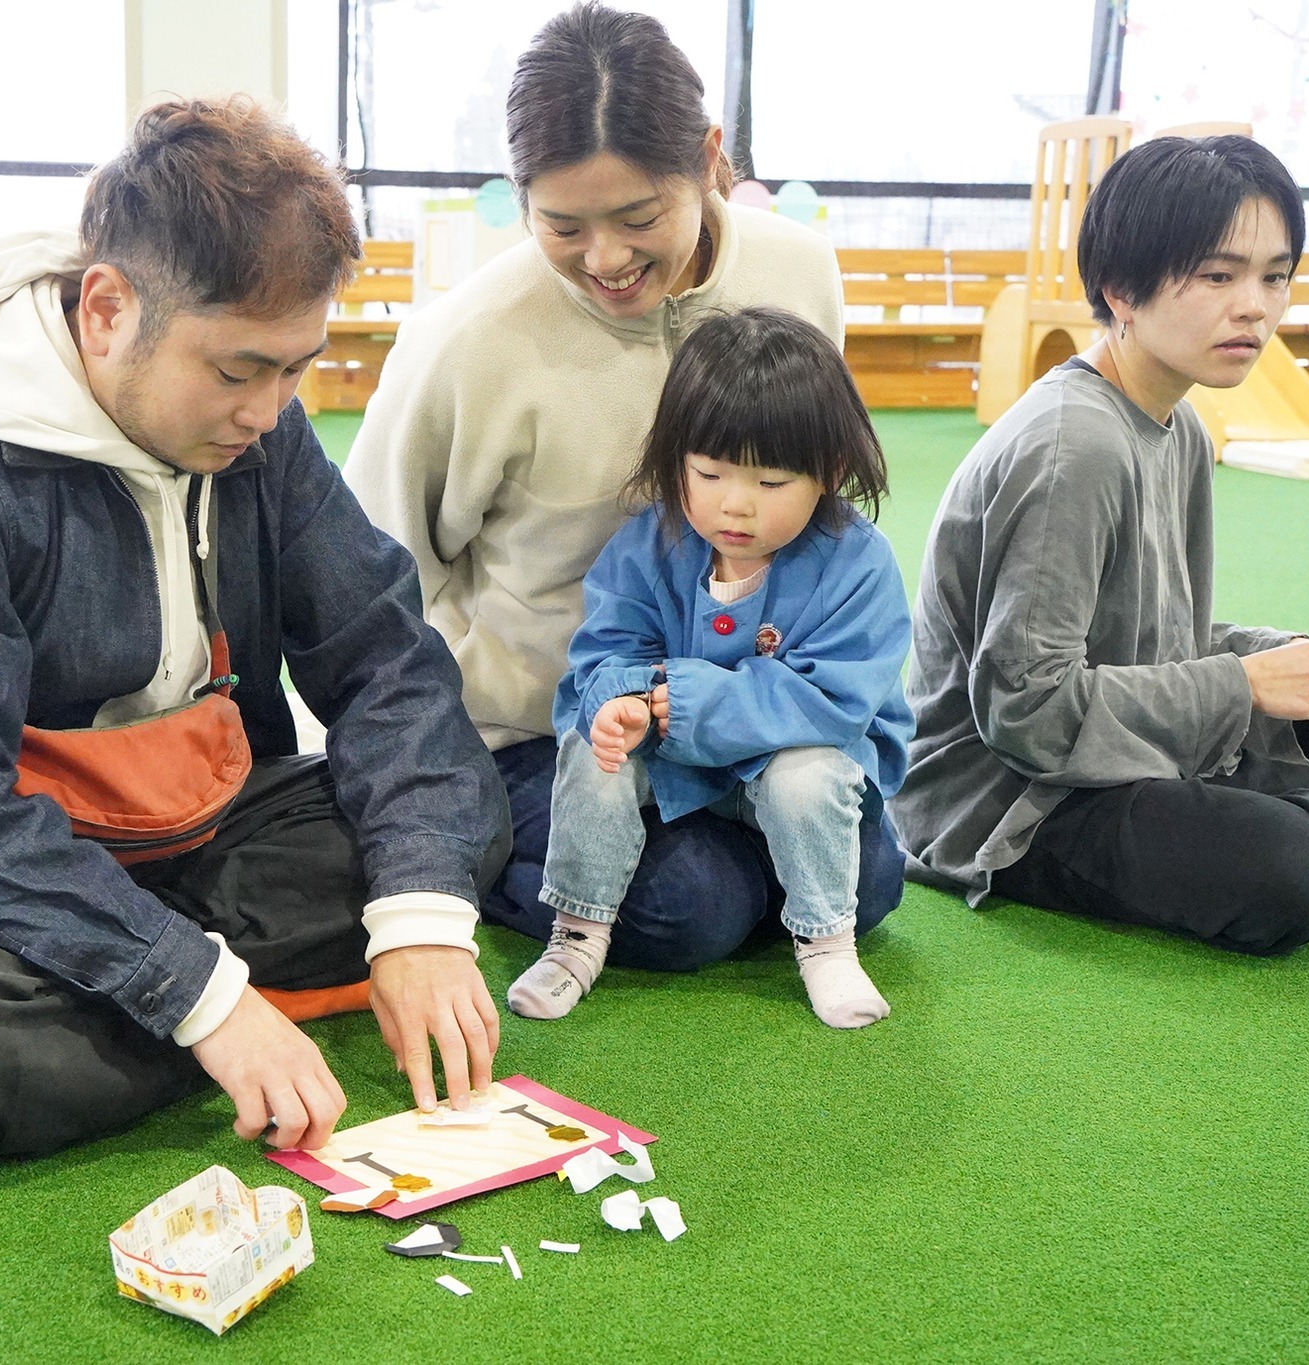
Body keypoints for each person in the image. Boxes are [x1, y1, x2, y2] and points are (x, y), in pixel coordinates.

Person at [0, 97, 511, 1163]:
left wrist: (418, 916)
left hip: (179, 828)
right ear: (106, 310)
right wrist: (201, 998)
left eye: (297, 367)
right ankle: (209, 999)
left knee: (449, 846)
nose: (272, 413)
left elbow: (385, 663)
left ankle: (143, 989)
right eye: (239, 370)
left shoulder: (259, 433)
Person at [346, 2, 901, 977]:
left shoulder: (797, 275)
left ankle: (718, 867)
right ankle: (492, 849)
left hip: (738, 710)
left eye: (638, 217)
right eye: (561, 224)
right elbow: (365, 576)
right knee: (685, 906)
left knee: (873, 873)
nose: (604, 258)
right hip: (544, 729)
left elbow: (808, 494)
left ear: (708, 158)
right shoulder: (466, 343)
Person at [893, 135, 1309, 955]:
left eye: (1273, 276)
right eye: (1218, 276)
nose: (1254, 305)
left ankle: (1277, 811)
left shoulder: (1177, 424)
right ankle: (1294, 826)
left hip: (1108, 737)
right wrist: (1241, 684)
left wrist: (1274, 658)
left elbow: (1155, 635)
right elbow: (1024, 712)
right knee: (1304, 868)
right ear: (1121, 291)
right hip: (1013, 796)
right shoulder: (1076, 447)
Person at [509, 308, 910, 1028]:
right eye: (710, 472)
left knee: (824, 803)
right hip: (680, 776)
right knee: (595, 753)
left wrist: (681, 698)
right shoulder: (649, 544)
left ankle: (826, 943)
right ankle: (576, 933)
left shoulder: (858, 562)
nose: (735, 503)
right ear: (676, 461)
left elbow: (834, 697)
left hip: (798, 768)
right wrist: (624, 701)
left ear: (832, 473)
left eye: (772, 481)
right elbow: (605, 651)